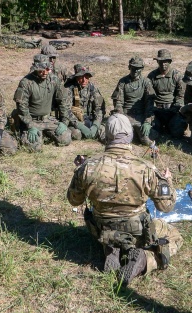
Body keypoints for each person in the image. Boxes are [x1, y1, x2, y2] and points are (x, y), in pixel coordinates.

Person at [67, 113, 183, 285]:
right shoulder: (146, 168)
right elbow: (167, 206)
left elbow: (74, 200)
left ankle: (111, 247)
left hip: (100, 229)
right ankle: (144, 259)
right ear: (129, 136)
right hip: (137, 233)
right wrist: (168, 181)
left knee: (109, 230)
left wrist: (81, 175)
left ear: (106, 136)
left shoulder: (88, 166)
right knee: (175, 236)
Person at [12, 54, 78, 152]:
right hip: (32, 120)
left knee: (65, 139)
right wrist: (30, 125)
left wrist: (64, 122)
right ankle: (31, 134)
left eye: (47, 69)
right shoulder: (26, 82)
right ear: (35, 68)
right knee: (34, 148)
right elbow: (22, 107)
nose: (45, 72)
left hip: (48, 119)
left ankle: (45, 133)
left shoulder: (54, 80)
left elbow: (63, 101)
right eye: (41, 70)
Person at [111, 56, 157, 146]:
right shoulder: (123, 82)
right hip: (126, 115)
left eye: (138, 69)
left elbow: (149, 104)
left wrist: (147, 121)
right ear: (129, 67)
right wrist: (122, 118)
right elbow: (118, 102)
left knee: (146, 140)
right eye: (134, 68)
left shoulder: (146, 82)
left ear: (142, 69)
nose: (136, 71)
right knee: (122, 138)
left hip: (140, 116)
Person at [146, 49, 187, 139]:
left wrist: (176, 108)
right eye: (161, 62)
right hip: (157, 110)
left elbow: (181, 94)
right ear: (157, 62)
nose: (163, 64)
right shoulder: (152, 76)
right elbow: (148, 95)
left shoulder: (177, 75)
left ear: (170, 62)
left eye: (166, 62)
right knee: (152, 132)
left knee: (177, 132)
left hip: (173, 109)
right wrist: (151, 110)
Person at [65, 64, 106, 141]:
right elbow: (66, 110)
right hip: (76, 122)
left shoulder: (93, 88)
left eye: (86, 77)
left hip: (90, 120)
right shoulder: (69, 89)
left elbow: (100, 108)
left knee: (103, 130)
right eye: (81, 77)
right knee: (77, 134)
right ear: (76, 77)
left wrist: (96, 124)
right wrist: (79, 125)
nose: (84, 80)